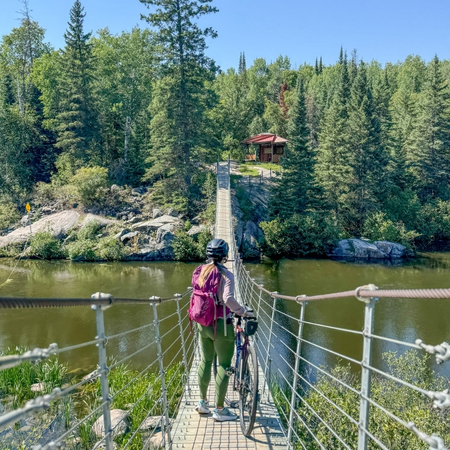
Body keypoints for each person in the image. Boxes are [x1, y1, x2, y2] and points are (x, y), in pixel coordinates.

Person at [192, 238, 253, 421]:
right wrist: (242, 312)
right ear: (225, 256)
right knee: (224, 366)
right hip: (221, 326)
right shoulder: (227, 275)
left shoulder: (199, 271)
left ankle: (202, 404)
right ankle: (219, 410)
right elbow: (227, 299)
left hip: (202, 324)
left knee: (205, 360)